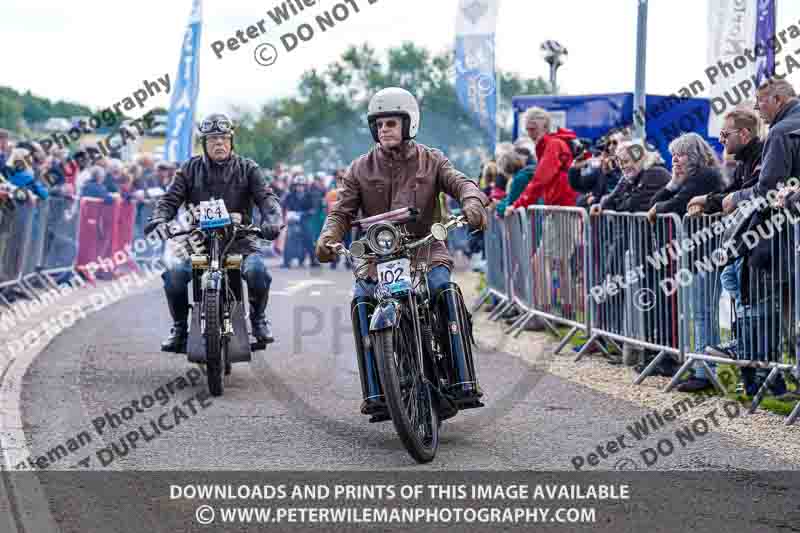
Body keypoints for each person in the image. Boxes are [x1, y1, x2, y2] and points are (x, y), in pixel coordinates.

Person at [314, 87, 488, 419]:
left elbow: (461, 182)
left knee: (442, 289)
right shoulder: (359, 168)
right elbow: (340, 213)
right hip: (378, 256)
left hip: (425, 248)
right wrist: (327, 237)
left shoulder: (432, 159)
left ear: (409, 124)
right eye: (378, 125)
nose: (384, 130)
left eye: (391, 123)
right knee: (361, 299)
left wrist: (472, 201)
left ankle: (464, 380)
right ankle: (377, 392)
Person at [144, 113, 282, 351]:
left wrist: (273, 218)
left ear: (231, 141)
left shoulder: (248, 168)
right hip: (198, 240)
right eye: (212, 139)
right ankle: (179, 328)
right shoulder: (189, 169)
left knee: (257, 272)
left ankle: (258, 320)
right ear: (204, 143)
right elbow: (169, 200)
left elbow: (267, 198)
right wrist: (159, 219)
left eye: (223, 138)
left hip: (240, 239)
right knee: (174, 276)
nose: (219, 143)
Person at [645, 132, 723, 378]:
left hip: (707, 250)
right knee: (699, 313)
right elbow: (656, 202)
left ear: (694, 156)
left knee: (703, 313)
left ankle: (704, 371)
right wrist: (673, 184)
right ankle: (702, 368)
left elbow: (675, 205)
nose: (675, 161)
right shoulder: (692, 178)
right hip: (697, 252)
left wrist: (662, 205)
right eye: (673, 156)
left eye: (679, 155)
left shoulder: (705, 176)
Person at [589, 141, 670, 364]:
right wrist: (603, 204)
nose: (623, 166)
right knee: (622, 292)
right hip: (634, 246)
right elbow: (614, 198)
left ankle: (654, 353)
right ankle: (621, 344)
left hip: (654, 249)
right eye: (620, 162)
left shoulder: (654, 174)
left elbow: (631, 205)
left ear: (639, 158)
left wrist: (613, 204)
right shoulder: (632, 177)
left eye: (626, 161)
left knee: (651, 298)